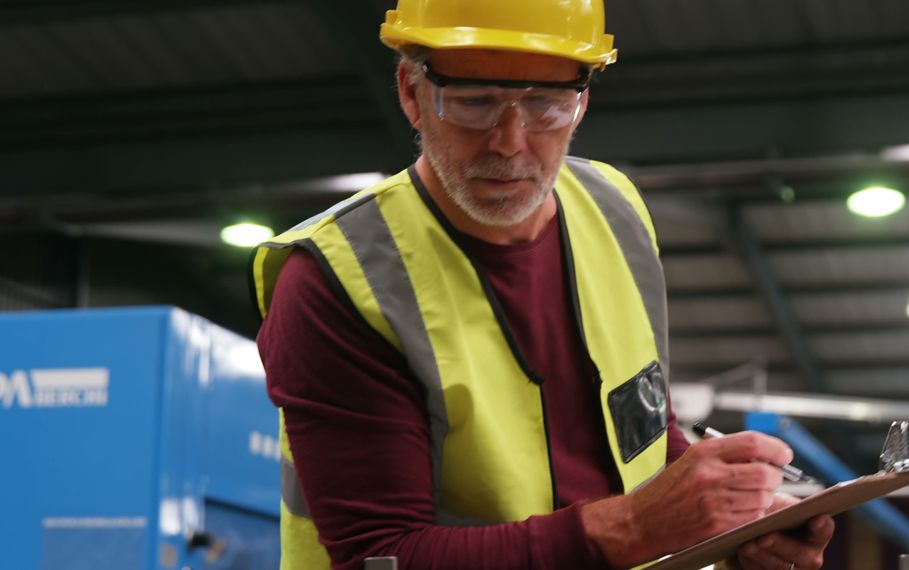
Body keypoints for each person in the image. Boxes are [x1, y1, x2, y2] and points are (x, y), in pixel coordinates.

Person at [251, 1, 835, 568]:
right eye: (475, 103)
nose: (510, 141)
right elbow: (381, 557)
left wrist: (728, 527)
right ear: (411, 92)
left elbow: (643, 435)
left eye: (546, 104)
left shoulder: (615, 211)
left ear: (582, 101)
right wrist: (639, 525)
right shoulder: (337, 280)